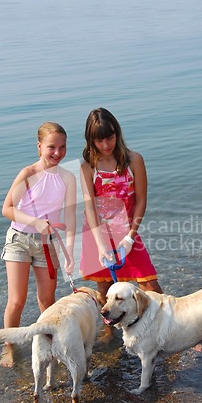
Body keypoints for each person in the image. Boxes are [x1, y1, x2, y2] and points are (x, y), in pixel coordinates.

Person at [0, 122, 77, 367]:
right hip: (19, 241)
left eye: (62, 147)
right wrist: (36, 221)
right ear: (39, 146)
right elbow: (7, 209)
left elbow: (71, 217)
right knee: (17, 301)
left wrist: (70, 253)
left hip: (49, 243)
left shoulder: (68, 177)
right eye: (51, 147)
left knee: (47, 299)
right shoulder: (28, 173)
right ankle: (9, 346)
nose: (57, 152)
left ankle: (50, 344)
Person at [80, 107, 162, 307]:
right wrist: (100, 247)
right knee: (105, 289)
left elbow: (141, 200)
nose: (105, 145)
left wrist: (130, 237)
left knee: (151, 286)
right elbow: (90, 207)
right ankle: (110, 333)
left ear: (117, 133)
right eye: (99, 140)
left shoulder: (134, 160)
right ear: (91, 140)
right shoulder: (88, 167)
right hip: (97, 235)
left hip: (126, 234)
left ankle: (171, 331)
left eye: (110, 137)